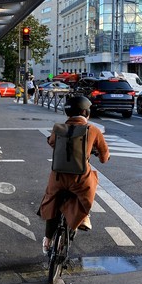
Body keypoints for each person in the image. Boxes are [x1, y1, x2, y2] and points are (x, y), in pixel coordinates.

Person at [38, 96, 110, 255]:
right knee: (90, 185)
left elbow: (51, 142)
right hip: (80, 180)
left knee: (52, 201)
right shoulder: (93, 130)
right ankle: (82, 218)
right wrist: (100, 155)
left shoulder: (58, 128)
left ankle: (47, 240)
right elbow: (104, 157)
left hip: (58, 178)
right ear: (86, 112)